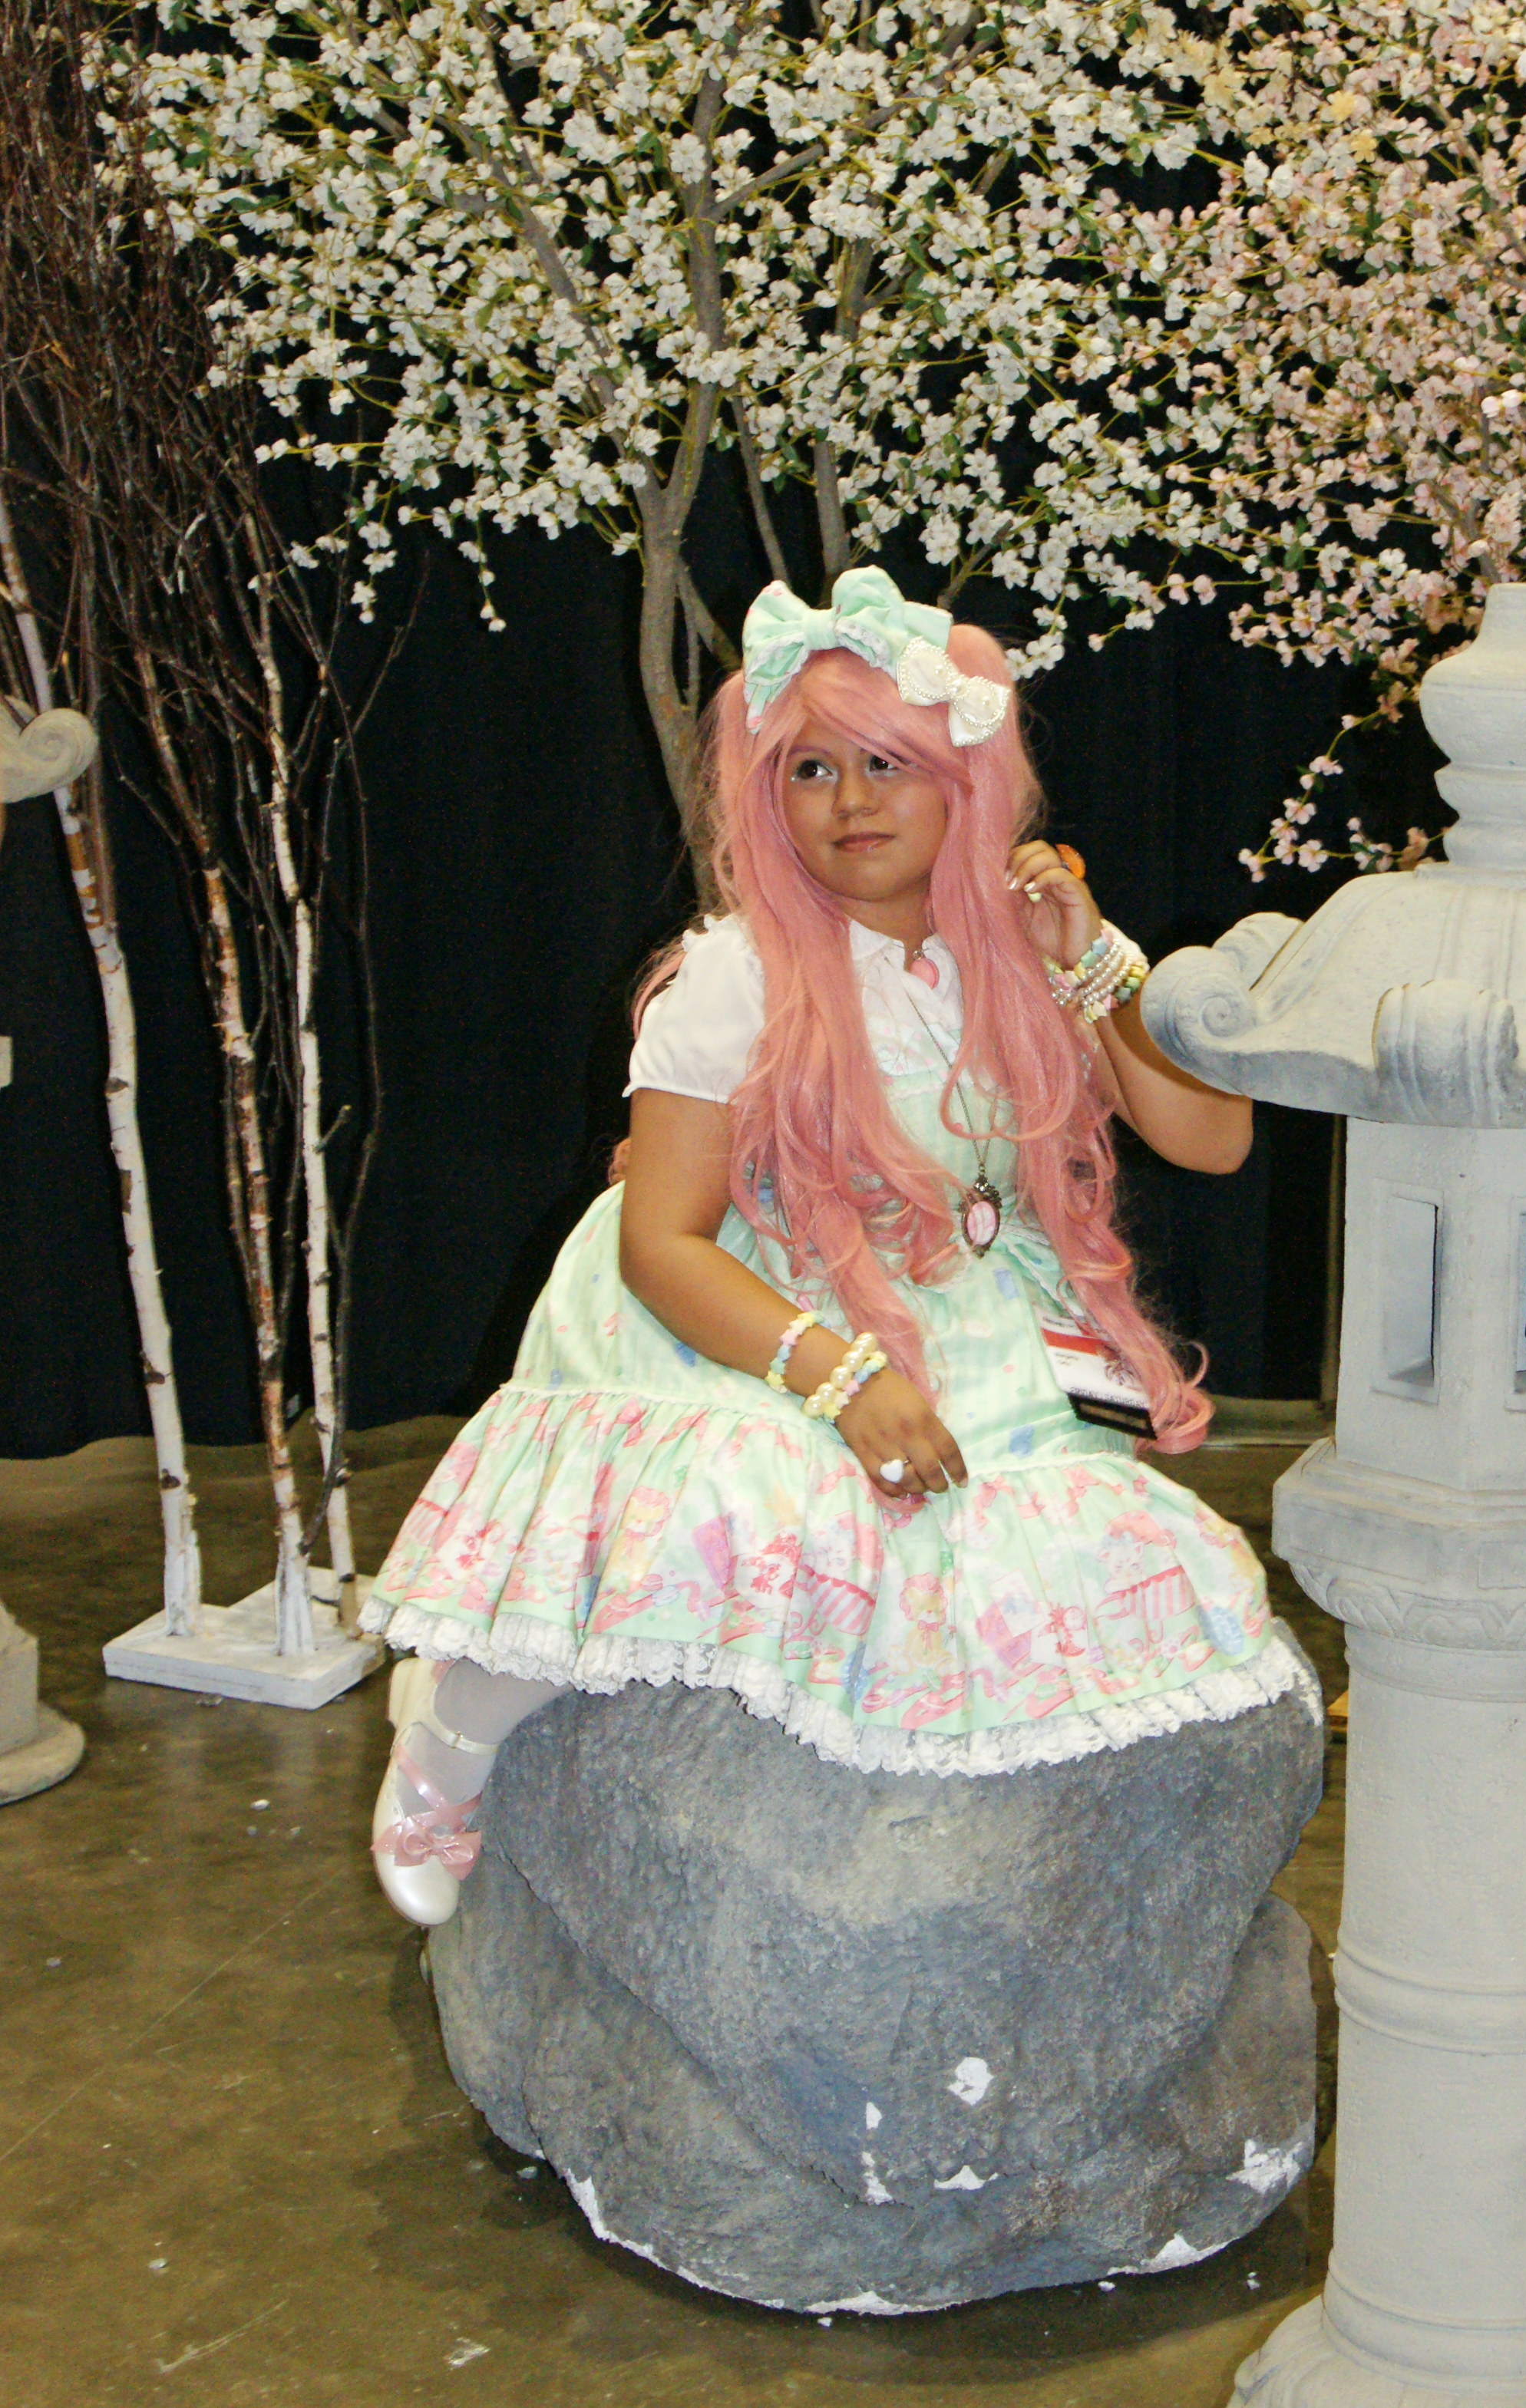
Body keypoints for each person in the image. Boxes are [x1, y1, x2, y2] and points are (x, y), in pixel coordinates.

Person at [362, 568, 1312, 1926]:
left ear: (964, 780)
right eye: (811, 768)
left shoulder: (1018, 953)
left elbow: (1211, 1139)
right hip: (739, 1318)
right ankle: (448, 1739)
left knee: (1079, 1569)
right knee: (722, 1521)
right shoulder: (735, 972)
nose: (851, 801)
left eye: (887, 763)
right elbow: (662, 1245)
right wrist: (844, 1378)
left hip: (967, 1325)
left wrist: (1093, 956)